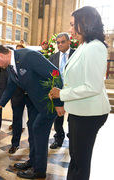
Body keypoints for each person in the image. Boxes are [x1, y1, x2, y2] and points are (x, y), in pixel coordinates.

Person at [49, 6, 110, 180]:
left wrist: (62, 94)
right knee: (75, 158)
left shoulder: (95, 47)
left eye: (73, 25)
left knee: (80, 161)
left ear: (85, 24)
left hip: (90, 113)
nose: (70, 29)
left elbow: (92, 86)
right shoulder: (85, 45)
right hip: (80, 110)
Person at [0, 45, 64, 179]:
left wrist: (58, 103)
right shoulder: (11, 65)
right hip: (34, 103)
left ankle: (39, 171)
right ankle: (33, 161)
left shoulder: (28, 56)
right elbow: (10, 87)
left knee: (38, 129)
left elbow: (55, 73)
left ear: (1, 56)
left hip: (48, 103)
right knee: (32, 129)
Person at [48, 32, 75, 149]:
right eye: (58, 43)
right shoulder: (53, 57)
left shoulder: (77, 55)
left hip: (73, 91)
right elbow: (50, 76)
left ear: (69, 42)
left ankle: (73, 138)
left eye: (63, 42)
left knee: (73, 118)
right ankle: (59, 138)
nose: (60, 45)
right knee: (58, 117)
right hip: (58, 92)